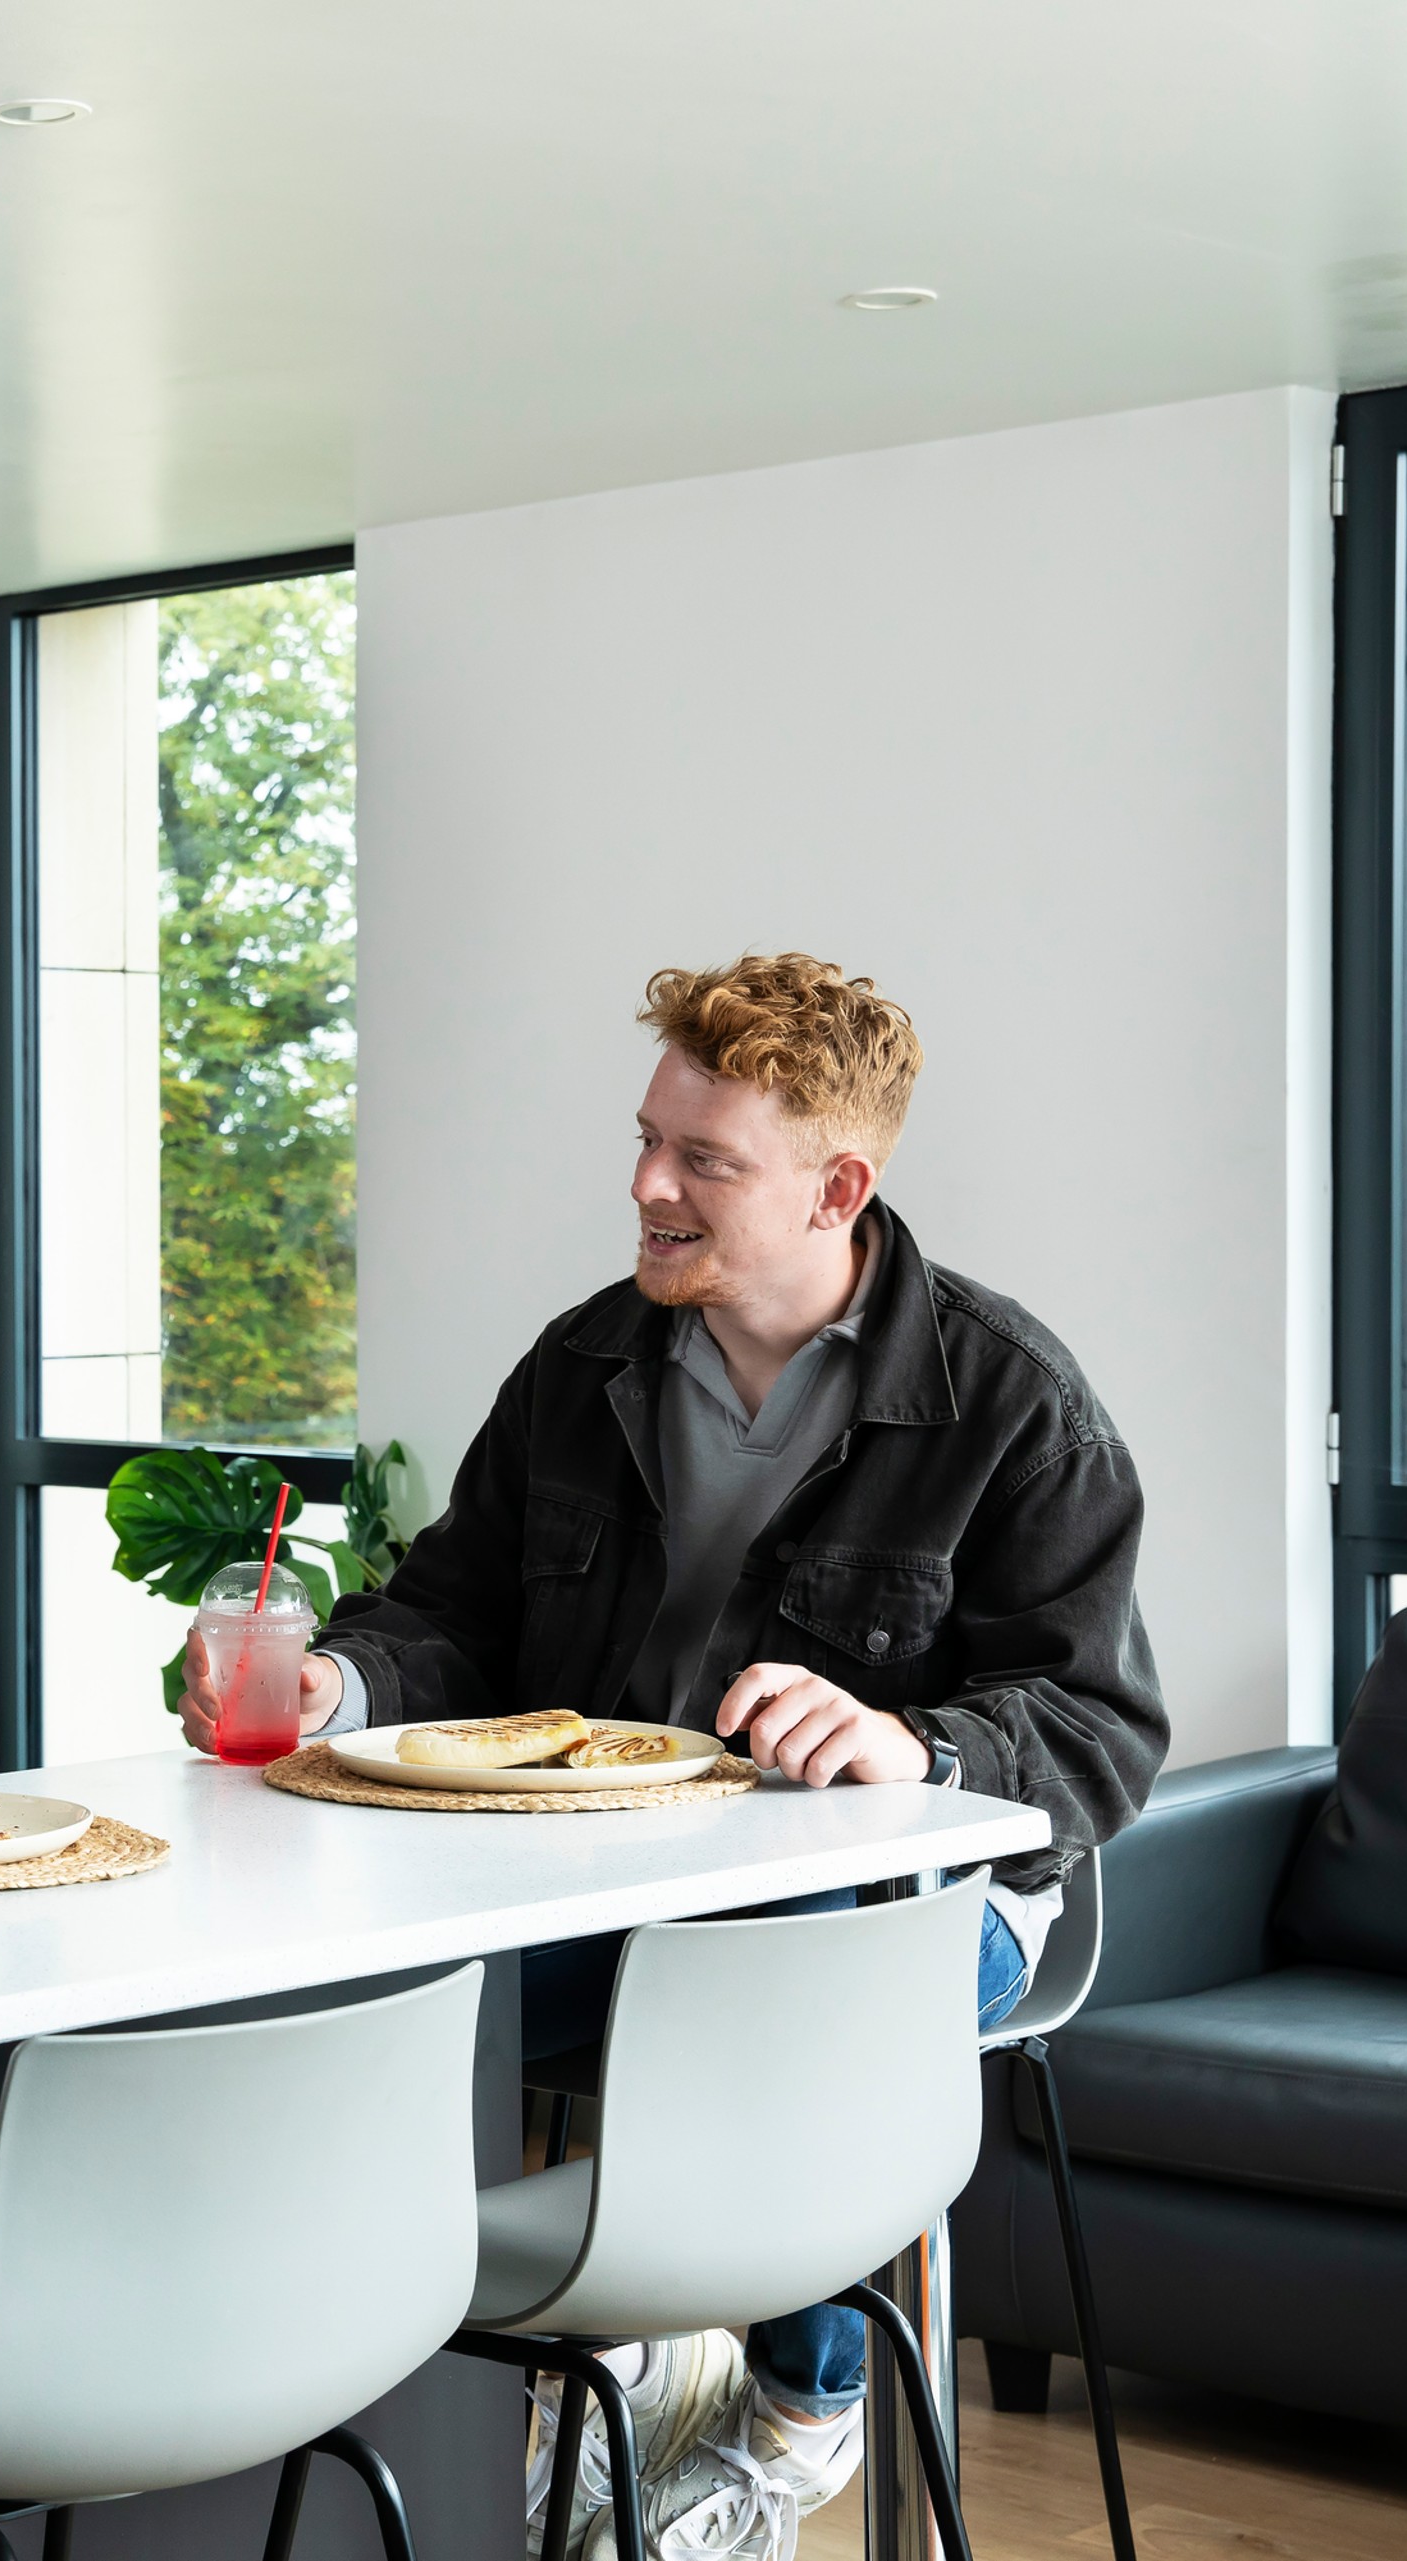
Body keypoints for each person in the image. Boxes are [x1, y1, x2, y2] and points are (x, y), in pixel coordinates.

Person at [181, 952, 1166, 2560]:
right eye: (649, 1138)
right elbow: (453, 1613)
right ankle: (568, 2378)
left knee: (778, 1957)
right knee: (367, 1993)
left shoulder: (1015, 1405)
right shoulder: (585, 1364)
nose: (646, 1184)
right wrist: (332, 1685)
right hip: (597, 1890)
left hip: (916, 1919)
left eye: (703, 1160)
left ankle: (791, 2415)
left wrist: (910, 1746)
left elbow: (1097, 1731)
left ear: (836, 1185)